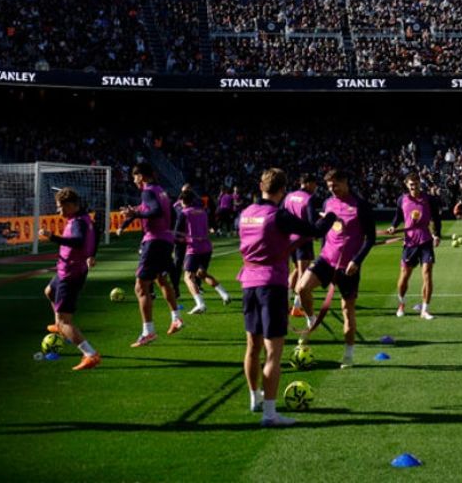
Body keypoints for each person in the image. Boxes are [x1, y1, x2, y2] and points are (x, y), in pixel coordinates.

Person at [238, 168, 320, 427]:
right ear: (282, 190)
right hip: (271, 284)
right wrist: (329, 219)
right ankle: (270, 414)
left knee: (252, 346)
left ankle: (255, 398)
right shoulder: (278, 214)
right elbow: (312, 229)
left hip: (248, 282)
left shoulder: (246, 213)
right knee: (273, 352)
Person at [295, 169, 376, 368]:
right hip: (326, 259)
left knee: (347, 311)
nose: (332, 190)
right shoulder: (327, 203)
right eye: (329, 186)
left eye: (336, 185)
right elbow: (325, 232)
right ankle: (311, 320)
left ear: (345, 182)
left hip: (349, 266)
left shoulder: (361, 205)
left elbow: (371, 238)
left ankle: (348, 356)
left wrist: (357, 261)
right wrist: (322, 251)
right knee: (301, 288)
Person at [119, 162, 182, 346]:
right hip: (165, 240)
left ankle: (148, 332)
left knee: (140, 287)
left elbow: (156, 211)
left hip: (154, 241)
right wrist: (133, 214)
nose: (133, 180)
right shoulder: (160, 190)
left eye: (135, 176)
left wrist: (136, 215)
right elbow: (169, 212)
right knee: (161, 280)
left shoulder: (147, 191)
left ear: (142, 176)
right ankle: (176, 317)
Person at [38, 187, 101, 370]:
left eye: (61, 207)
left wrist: (53, 237)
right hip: (66, 269)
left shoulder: (78, 223)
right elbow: (95, 233)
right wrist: (92, 254)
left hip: (71, 273)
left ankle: (90, 354)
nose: (59, 211)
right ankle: (59, 325)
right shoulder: (83, 218)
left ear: (72, 205)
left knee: (66, 321)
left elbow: (78, 241)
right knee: (49, 291)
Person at [388, 173, 443, 321]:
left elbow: (436, 219)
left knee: (427, 273)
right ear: (407, 185)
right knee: (404, 276)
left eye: (416, 183)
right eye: (411, 184)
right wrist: (393, 226)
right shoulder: (402, 199)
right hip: (409, 243)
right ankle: (401, 304)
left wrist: (436, 234)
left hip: (425, 240)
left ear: (420, 183)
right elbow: (398, 216)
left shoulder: (430, 199)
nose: (414, 186)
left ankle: (425, 310)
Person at [173, 185, 230, 313]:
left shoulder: (184, 213)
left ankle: (200, 304)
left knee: (188, 277)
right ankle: (224, 294)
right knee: (201, 273)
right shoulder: (202, 211)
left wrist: (177, 240)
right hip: (207, 247)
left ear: (182, 201)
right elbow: (209, 226)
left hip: (194, 248)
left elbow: (177, 234)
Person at [281, 173, 321, 317]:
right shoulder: (308, 198)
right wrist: (317, 230)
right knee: (303, 273)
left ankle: (285, 302)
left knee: (296, 271)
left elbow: (282, 213)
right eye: (315, 184)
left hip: (290, 238)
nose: (316, 187)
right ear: (309, 183)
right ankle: (297, 306)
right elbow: (311, 220)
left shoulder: (289, 196)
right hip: (303, 239)